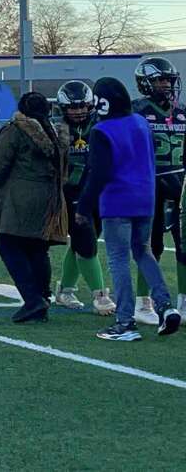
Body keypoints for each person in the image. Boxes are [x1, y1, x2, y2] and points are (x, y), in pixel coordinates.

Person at [77, 77, 181, 341]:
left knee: (118, 260)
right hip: (146, 197)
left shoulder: (102, 130)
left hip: (117, 200)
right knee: (144, 252)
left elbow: (98, 173)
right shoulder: (140, 122)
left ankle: (125, 322)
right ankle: (165, 305)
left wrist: (84, 206)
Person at [0, 92, 69, 323]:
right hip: (52, 198)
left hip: (21, 198)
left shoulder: (15, 131)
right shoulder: (55, 132)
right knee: (38, 248)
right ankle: (43, 298)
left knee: (8, 245)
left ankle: (33, 300)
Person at [53, 81, 117, 315]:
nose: (79, 110)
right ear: (63, 107)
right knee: (86, 243)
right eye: (73, 107)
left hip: (98, 191)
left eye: (83, 106)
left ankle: (65, 290)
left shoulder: (101, 126)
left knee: (83, 243)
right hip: (71, 192)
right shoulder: (55, 128)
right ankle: (100, 295)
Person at [131, 57, 186, 324]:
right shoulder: (137, 112)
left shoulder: (183, 112)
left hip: (180, 185)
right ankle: (143, 303)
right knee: (150, 245)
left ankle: (183, 302)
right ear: (145, 83)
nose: (166, 85)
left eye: (168, 80)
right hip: (148, 185)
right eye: (160, 80)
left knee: (184, 245)